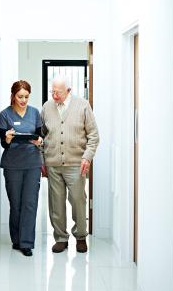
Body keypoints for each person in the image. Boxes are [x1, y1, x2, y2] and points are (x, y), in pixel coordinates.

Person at [40, 76, 99, 253]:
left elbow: (94, 136)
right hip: (53, 163)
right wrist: (42, 159)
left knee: (78, 201)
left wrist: (87, 157)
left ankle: (80, 236)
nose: (54, 95)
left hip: (76, 163)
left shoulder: (82, 105)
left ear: (68, 91)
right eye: (52, 91)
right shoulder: (46, 107)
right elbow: (41, 135)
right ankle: (60, 238)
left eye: (58, 92)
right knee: (55, 203)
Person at [0, 80, 44, 257]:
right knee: (16, 204)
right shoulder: (5, 115)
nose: (23, 100)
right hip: (13, 165)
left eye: (26, 97)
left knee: (30, 204)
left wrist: (39, 141)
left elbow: (40, 137)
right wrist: (8, 139)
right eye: (20, 97)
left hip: (32, 163)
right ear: (13, 96)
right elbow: (3, 143)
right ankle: (16, 240)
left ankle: (26, 243)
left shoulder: (35, 113)